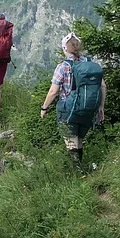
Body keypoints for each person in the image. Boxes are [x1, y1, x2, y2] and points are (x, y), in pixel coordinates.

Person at [41, 33, 105, 165]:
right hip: (88, 109)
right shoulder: (89, 63)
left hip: (68, 110)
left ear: (65, 48)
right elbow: (102, 85)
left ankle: (78, 173)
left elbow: (53, 91)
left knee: (71, 144)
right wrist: (100, 106)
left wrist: (44, 107)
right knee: (79, 142)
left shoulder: (63, 66)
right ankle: (81, 170)